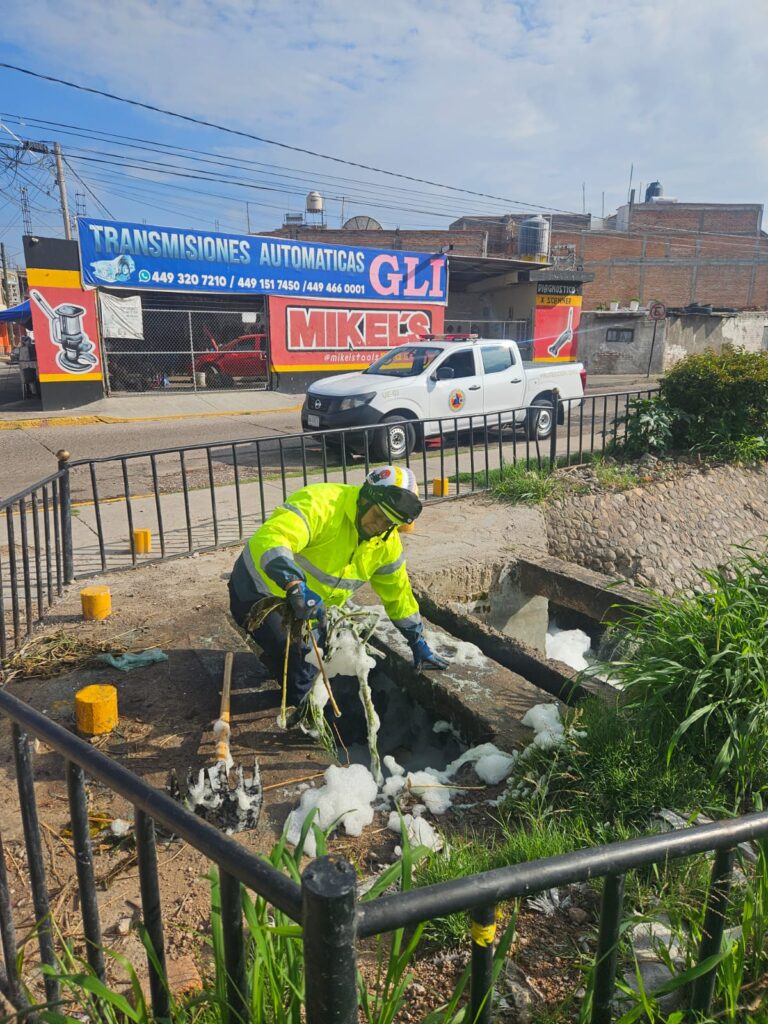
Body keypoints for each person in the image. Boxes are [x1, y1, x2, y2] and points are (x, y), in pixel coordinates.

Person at [228, 465, 449, 710]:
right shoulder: (322, 503)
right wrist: (294, 584)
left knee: (322, 654)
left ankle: (281, 664)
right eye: (378, 515)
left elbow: (398, 594)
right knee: (303, 658)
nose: (379, 525)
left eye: (389, 523)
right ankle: (302, 711)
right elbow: (273, 538)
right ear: (364, 498)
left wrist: (417, 640)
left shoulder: (386, 544)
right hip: (257, 591)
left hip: (309, 607)